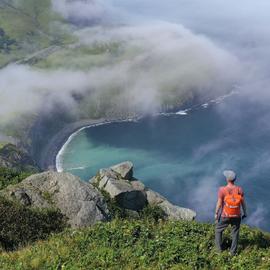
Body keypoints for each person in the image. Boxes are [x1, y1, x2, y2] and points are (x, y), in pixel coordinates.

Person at [215, 170, 247, 256]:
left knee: (218, 230)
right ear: (234, 179)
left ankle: (218, 251)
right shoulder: (239, 189)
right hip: (237, 215)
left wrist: (216, 213)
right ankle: (233, 252)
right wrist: (245, 213)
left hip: (225, 215)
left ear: (227, 179)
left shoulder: (222, 190)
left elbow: (219, 203)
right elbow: (243, 203)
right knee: (235, 233)